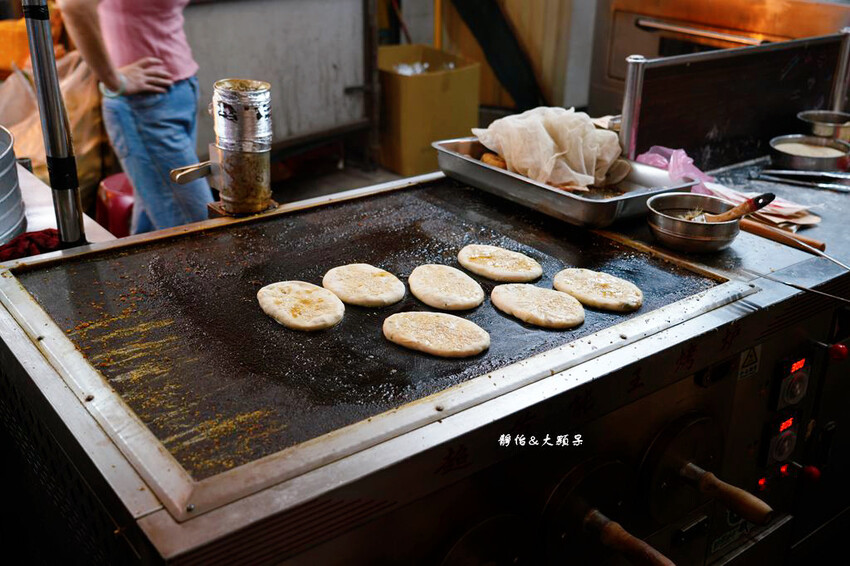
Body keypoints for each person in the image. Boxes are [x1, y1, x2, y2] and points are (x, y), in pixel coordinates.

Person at [57, 0, 213, 234]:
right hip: (145, 109)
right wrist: (114, 80)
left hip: (178, 94)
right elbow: (74, 5)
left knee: (154, 219)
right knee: (197, 231)